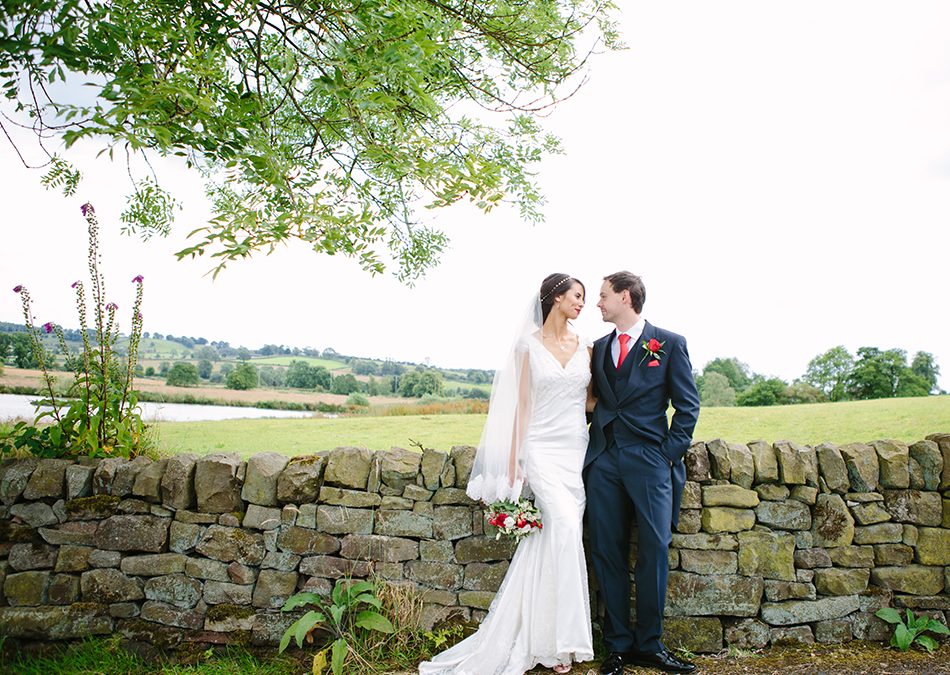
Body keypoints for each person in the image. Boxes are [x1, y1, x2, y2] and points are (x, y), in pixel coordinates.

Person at [419, 273, 595, 675]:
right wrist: (517, 462)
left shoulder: (586, 345)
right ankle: (560, 642)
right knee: (565, 529)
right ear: (555, 298)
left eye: (585, 298)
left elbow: (590, 401)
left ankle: (548, 638)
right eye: (577, 296)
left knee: (553, 538)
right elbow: (520, 407)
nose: (582, 304)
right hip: (541, 451)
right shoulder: (527, 346)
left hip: (575, 452)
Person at [584, 271, 700, 675]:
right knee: (606, 551)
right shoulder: (598, 348)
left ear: (626, 297)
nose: (597, 303)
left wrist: (667, 455)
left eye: (602, 296)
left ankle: (649, 645)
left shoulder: (668, 343)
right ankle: (617, 646)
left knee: (653, 550)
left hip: (650, 461)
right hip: (604, 462)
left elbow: (687, 407)